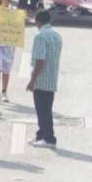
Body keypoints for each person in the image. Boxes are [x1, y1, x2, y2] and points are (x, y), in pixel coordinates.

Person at [27, 9, 62, 147]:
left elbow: (40, 61)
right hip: (52, 77)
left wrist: (32, 80)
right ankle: (41, 134)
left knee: (42, 110)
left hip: (42, 79)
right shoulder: (56, 35)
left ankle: (48, 138)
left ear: (38, 21)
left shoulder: (40, 36)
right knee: (46, 108)